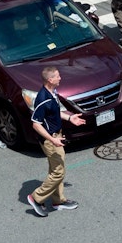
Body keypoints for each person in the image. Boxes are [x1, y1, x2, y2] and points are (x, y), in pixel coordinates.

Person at [26, 66, 86, 217]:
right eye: (58, 76)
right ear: (50, 80)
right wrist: (52, 139)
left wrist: (70, 117)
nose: (60, 78)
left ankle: (57, 201)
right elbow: (35, 123)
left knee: (56, 170)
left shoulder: (52, 93)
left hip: (56, 135)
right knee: (59, 172)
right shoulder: (43, 98)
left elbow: (55, 112)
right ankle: (36, 197)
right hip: (51, 139)